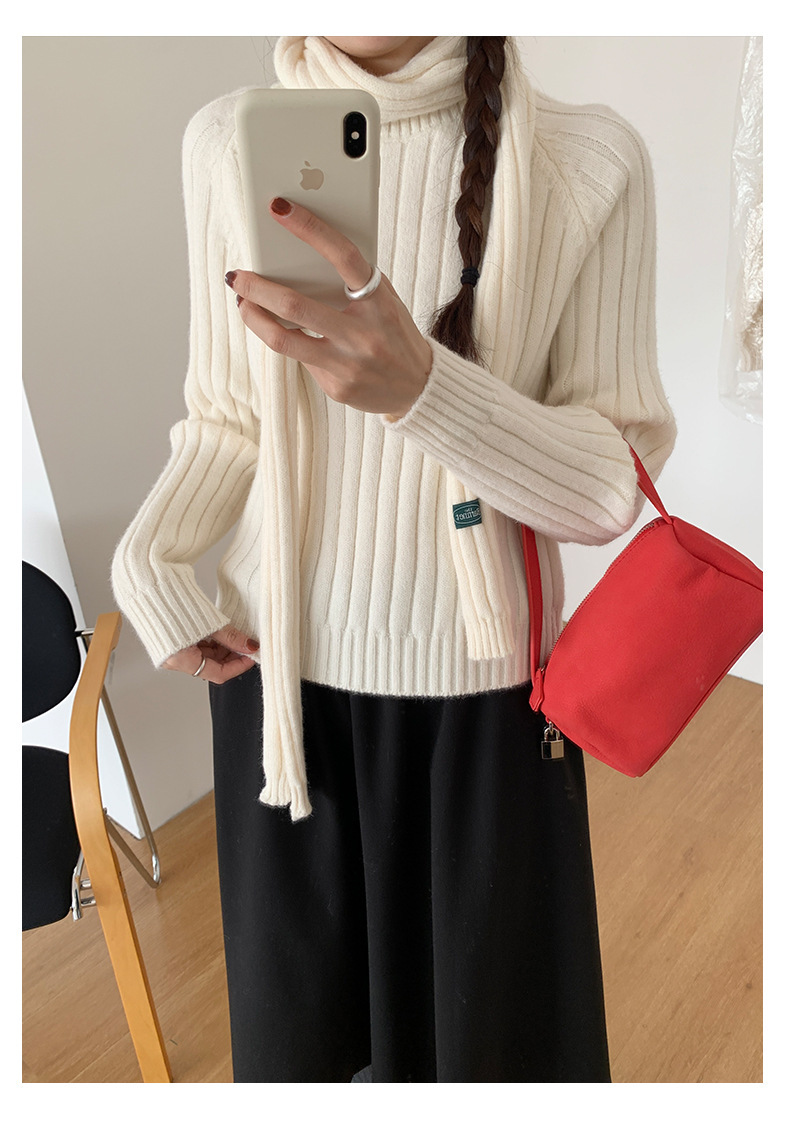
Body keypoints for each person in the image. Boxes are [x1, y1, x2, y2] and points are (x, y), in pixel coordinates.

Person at [111, 36, 676, 1083]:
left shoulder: (588, 162)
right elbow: (227, 414)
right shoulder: (224, 143)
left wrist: (423, 386)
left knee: (491, 1065)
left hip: (485, 703)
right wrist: (150, 556)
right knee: (300, 1068)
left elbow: (609, 488)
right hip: (277, 694)